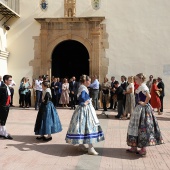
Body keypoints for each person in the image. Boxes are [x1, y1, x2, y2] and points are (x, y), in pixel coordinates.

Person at [65, 75, 104, 155]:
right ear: (85, 81)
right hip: (85, 110)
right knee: (89, 127)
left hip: (82, 110)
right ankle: (90, 148)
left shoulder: (81, 87)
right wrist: (86, 102)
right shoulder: (83, 88)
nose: (90, 82)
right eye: (89, 81)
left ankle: (81, 145)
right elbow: (82, 98)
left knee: (82, 127)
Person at [126, 73, 164, 156]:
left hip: (142, 110)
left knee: (142, 127)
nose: (135, 80)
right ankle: (134, 146)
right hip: (138, 108)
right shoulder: (140, 86)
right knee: (136, 127)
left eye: (136, 79)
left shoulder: (143, 86)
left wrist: (144, 103)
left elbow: (149, 96)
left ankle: (143, 149)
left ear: (140, 79)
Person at [0, 75, 13, 139]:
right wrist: (3, 105)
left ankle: (1, 132)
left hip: (6, 105)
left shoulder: (6, 86)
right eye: (10, 80)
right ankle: (5, 133)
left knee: (2, 120)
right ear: (5, 80)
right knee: (3, 120)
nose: (11, 81)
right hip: (3, 106)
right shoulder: (3, 88)